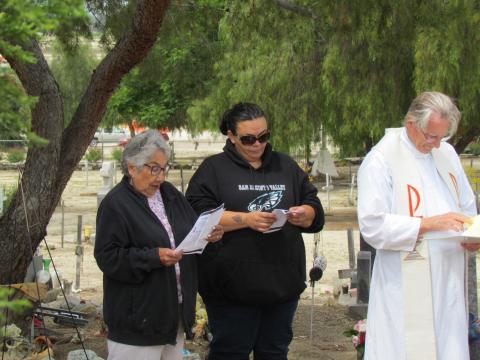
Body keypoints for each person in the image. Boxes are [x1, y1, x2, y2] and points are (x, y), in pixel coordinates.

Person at [185, 102, 325, 360]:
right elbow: (197, 216)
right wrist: (246, 220)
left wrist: (306, 214)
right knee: (230, 353)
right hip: (230, 290)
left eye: (264, 137)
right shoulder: (213, 170)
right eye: (248, 139)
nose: (257, 144)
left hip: (282, 286)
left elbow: (314, 206)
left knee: (274, 352)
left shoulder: (285, 166)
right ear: (231, 135)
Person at [357, 91, 479, 360]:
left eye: (442, 136)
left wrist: (472, 234)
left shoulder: (446, 154)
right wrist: (428, 224)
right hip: (404, 281)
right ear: (412, 123)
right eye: (431, 136)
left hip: (449, 280)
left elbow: (467, 208)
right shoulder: (381, 160)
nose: (436, 144)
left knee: (449, 345)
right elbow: (372, 225)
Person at [94, 129, 224, 360]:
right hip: (137, 323)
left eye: (163, 168)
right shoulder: (116, 204)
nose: (161, 177)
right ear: (132, 167)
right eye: (154, 168)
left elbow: (190, 231)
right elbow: (108, 257)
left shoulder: (170, 194)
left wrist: (208, 235)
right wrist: (154, 257)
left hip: (173, 316)